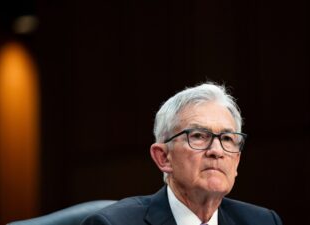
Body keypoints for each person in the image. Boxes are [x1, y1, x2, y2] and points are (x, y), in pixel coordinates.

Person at [81, 82, 283, 225]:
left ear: (237, 160)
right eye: (198, 136)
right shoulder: (111, 224)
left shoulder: (263, 221)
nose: (216, 151)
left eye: (227, 139)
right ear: (163, 157)